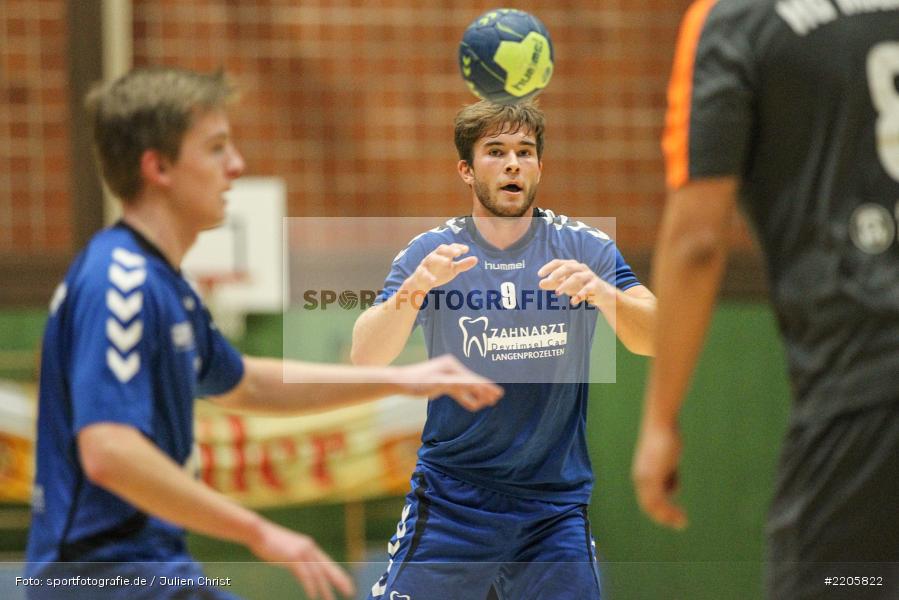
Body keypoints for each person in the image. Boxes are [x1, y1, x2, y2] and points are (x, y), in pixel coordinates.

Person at [24, 67, 503, 600]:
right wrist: (260, 531)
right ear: (157, 166)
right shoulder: (122, 281)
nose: (236, 165)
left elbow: (246, 383)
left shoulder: (162, 285)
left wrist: (403, 379)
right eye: (215, 148)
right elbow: (108, 451)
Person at [631, 2, 899, 599]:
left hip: (864, 392)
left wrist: (659, 421)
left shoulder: (736, 20)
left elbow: (699, 241)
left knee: (840, 583)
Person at [351, 100, 657, 600]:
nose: (513, 163)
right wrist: (415, 289)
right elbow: (365, 357)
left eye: (525, 151)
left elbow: (655, 337)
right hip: (454, 502)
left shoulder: (586, 248)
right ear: (466, 171)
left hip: (551, 509)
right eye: (496, 152)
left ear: (540, 166)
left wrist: (604, 293)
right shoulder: (432, 252)